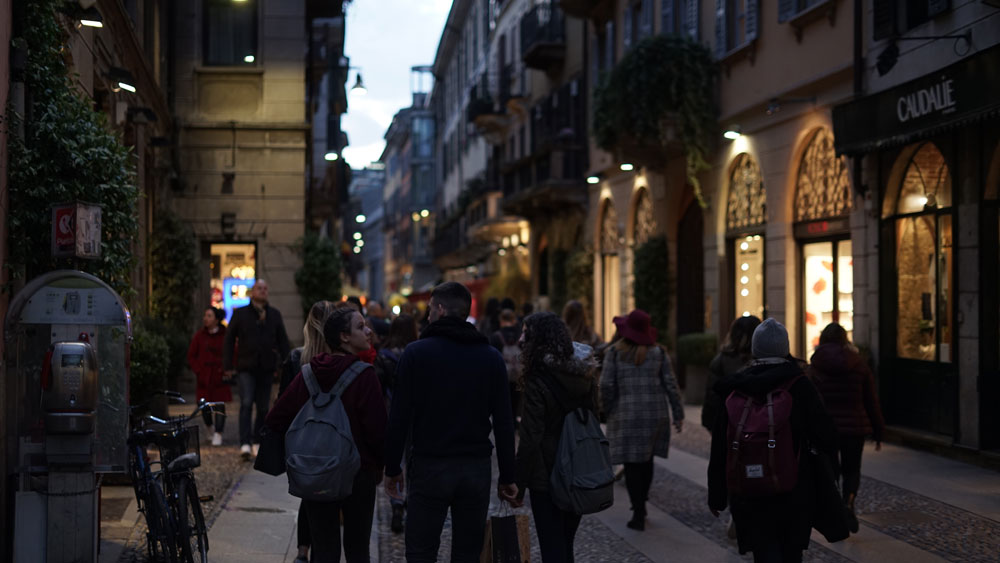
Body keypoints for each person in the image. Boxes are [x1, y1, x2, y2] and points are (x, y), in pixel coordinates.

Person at [383, 282, 519, 562]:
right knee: (468, 553)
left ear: (441, 309)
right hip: (475, 468)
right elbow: (504, 423)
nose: (427, 316)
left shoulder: (416, 354)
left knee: (421, 550)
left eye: (431, 309)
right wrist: (507, 475)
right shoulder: (490, 358)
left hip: (430, 464)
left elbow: (399, 416)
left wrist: (393, 467)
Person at [707, 318, 839, 563]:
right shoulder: (800, 385)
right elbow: (826, 436)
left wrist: (717, 494)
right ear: (785, 348)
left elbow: (721, 445)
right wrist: (832, 474)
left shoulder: (736, 387)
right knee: (791, 552)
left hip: (750, 491)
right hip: (794, 489)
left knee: (763, 551)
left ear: (756, 349)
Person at [264, 308, 387, 562]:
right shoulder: (365, 377)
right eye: (360, 326)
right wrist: (383, 465)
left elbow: (276, 418)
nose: (368, 331)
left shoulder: (309, 373)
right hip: (358, 473)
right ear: (344, 337)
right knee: (357, 549)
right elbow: (378, 433)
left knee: (324, 549)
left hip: (316, 471)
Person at [515, 312, 598, 563]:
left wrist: (518, 484)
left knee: (552, 547)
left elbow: (530, 436)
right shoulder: (584, 373)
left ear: (537, 339)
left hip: (547, 474)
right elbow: (592, 416)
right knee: (565, 543)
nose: (520, 339)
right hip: (578, 467)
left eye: (525, 333)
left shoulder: (537, 379)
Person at [600, 309, 684, 531]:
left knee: (631, 463)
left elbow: (606, 385)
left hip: (625, 415)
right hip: (654, 415)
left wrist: (605, 410)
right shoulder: (658, 353)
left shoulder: (614, 353)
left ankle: (637, 508)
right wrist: (678, 413)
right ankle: (641, 505)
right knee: (646, 462)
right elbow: (671, 385)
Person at [278, 300, 340, 563]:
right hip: (335, 437)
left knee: (308, 494)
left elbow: (282, 403)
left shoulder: (297, 358)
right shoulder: (342, 360)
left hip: (302, 438)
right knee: (328, 498)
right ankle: (318, 552)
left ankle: (303, 550)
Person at [808, 322, 885, 533]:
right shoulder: (859, 363)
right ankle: (848, 501)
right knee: (852, 469)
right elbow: (871, 400)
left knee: (831, 469)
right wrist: (878, 429)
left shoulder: (816, 363)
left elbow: (810, 399)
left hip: (827, 428)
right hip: (855, 427)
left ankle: (835, 508)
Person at [223, 279, 291, 460]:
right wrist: (228, 365)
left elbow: (283, 340)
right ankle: (244, 442)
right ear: (253, 292)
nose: (263, 291)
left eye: (265, 289)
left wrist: (288, 362)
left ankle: (256, 441)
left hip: (266, 367)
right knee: (246, 403)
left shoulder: (274, 314)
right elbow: (229, 339)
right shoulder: (241, 314)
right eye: (259, 288)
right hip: (246, 366)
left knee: (262, 407)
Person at [373, 314, 419, 533]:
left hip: (390, 411)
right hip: (415, 413)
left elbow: (378, 388)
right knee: (413, 458)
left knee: (395, 460)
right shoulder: (418, 352)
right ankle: (411, 498)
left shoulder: (383, 355)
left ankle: (396, 503)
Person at [701, 315, 762, 432]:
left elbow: (712, 399)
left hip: (730, 425)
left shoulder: (721, 360)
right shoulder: (763, 360)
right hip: (754, 426)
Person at [187, 307, 230, 446]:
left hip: (219, 375)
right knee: (203, 405)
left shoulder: (225, 335)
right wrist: (199, 370)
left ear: (216, 319)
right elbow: (191, 355)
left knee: (219, 405)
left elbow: (231, 352)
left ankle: (218, 432)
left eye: (209, 316)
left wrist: (227, 368)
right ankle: (210, 428)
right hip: (204, 377)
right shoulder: (200, 336)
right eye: (205, 315)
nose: (206, 318)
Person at [490, 309, 523, 424]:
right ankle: (515, 422)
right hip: (519, 374)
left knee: (503, 402)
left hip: (502, 375)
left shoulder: (496, 336)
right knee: (516, 400)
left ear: (501, 320)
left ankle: (505, 423)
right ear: (513, 320)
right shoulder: (521, 335)